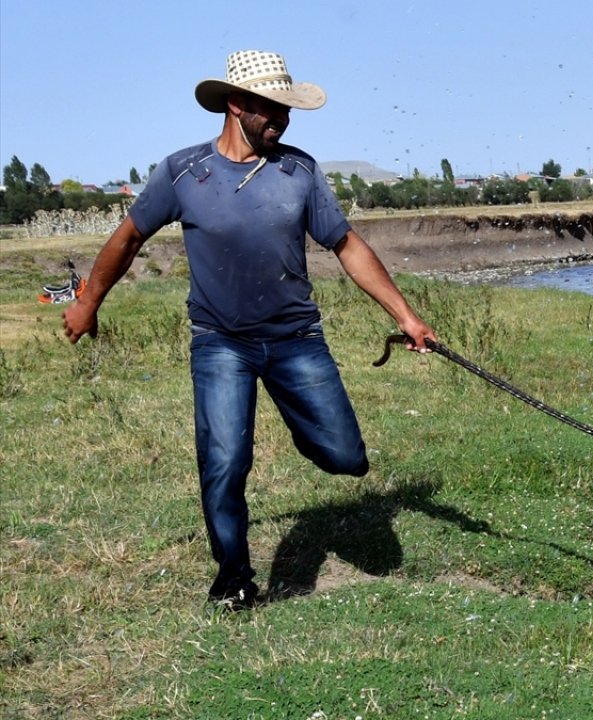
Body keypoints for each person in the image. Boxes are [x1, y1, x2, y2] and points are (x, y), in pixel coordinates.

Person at [63, 50, 437, 610]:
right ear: (236, 104)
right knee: (224, 460)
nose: (282, 121)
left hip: (295, 341)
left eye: (288, 111)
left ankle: (299, 419)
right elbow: (128, 238)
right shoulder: (183, 173)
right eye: (271, 110)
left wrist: (405, 316)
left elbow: (346, 245)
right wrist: (88, 302)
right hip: (221, 343)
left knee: (345, 457)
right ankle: (232, 577)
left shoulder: (299, 171)